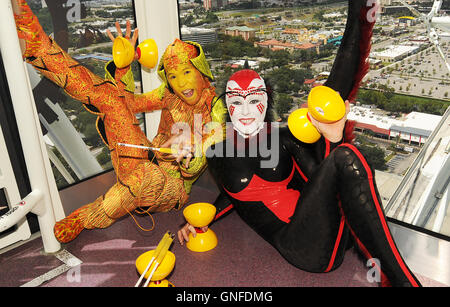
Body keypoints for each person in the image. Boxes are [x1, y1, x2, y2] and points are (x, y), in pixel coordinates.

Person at [178, 0, 422, 287]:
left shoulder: (282, 137)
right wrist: (200, 218)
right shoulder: (217, 151)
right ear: (227, 107)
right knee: (343, 154)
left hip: (330, 233)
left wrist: (358, 18)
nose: (245, 111)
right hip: (303, 250)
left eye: (254, 100)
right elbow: (232, 194)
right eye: (236, 101)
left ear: (266, 103)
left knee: (341, 148)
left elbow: (328, 177)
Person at [12, 0, 226, 243]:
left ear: (200, 70)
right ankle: (37, 48)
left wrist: (191, 149)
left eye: (187, 73)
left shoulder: (216, 108)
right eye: (173, 76)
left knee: (146, 176)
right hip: (144, 158)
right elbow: (128, 103)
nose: (181, 84)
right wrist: (123, 68)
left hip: (172, 188)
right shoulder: (168, 94)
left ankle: (83, 219)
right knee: (109, 98)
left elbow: (212, 145)